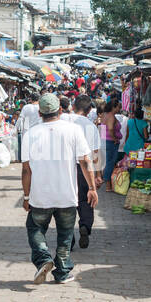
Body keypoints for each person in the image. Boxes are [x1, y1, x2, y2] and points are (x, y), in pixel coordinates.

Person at [22, 93, 96, 284]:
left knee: (35, 228)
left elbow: (26, 170)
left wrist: (26, 195)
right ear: (61, 111)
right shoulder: (73, 130)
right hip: (67, 195)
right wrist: (92, 188)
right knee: (65, 235)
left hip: (40, 195)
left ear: (39, 113)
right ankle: (62, 273)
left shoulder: (31, 134)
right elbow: (85, 161)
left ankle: (43, 259)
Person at [69, 95, 103, 249]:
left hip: (65, 168)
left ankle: (67, 235)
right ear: (89, 110)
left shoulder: (63, 121)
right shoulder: (91, 126)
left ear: (74, 106)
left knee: (67, 203)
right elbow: (95, 154)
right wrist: (97, 175)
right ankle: (85, 226)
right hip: (85, 168)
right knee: (86, 200)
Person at [98, 99, 122, 184]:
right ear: (113, 107)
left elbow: (102, 128)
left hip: (105, 141)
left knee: (107, 161)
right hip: (111, 142)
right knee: (110, 162)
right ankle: (107, 182)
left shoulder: (104, 115)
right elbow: (111, 128)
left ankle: (105, 178)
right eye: (119, 107)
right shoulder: (111, 116)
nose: (120, 109)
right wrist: (114, 138)